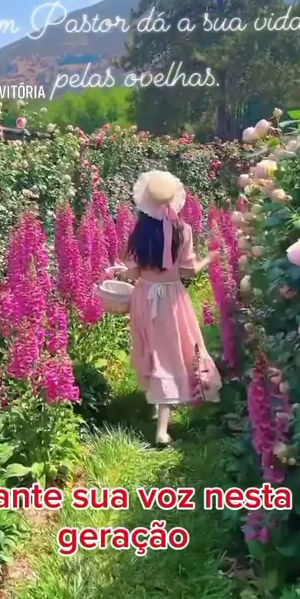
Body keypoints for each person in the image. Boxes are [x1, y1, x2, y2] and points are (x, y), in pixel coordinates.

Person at [120, 170, 222, 447]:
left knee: (153, 350)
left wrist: (124, 270)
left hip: (144, 297)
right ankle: (162, 431)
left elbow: (132, 272)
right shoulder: (182, 230)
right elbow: (189, 270)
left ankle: (158, 407)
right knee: (169, 354)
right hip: (172, 298)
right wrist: (210, 258)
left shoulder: (139, 232)